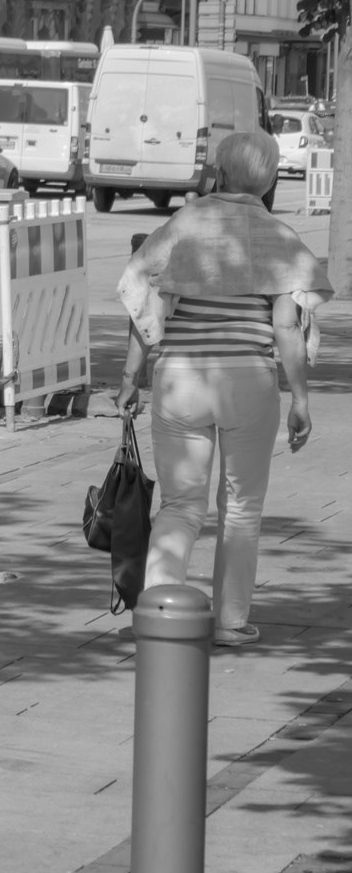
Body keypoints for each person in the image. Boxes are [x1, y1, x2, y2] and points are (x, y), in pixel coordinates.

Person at [116, 131, 332, 647]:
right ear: (272, 178)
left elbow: (142, 300)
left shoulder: (184, 224)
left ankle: (162, 614)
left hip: (180, 379)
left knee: (180, 505)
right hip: (248, 381)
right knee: (241, 508)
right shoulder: (277, 236)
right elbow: (286, 328)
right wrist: (300, 398)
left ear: (219, 172)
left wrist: (129, 378)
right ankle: (231, 622)